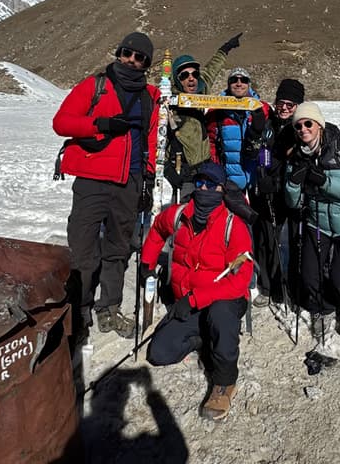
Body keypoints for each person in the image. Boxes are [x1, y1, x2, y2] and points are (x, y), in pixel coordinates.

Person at [52, 32, 160, 338]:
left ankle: (109, 307)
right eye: (127, 52)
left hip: (130, 182)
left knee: (117, 249)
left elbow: (151, 138)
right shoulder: (96, 85)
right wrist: (99, 124)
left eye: (140, 57)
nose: (131, 60)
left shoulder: (150, 96)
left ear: (147, 64)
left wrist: (148, 180)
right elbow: (61, 122)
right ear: (119, 52)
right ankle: (80, 308)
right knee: (83, 248)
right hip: (92, 181)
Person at [141, 162, 253, 421]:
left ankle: (224, 382)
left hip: (224, 300)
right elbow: (158, 229)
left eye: (211, 185)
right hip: (189, 302)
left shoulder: (232, 226)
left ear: (221, 189)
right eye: (200, 183)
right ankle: (206, 337)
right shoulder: (179, 215)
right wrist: (148, 261)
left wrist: (195, 299)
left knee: (220, 314)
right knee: (159, 353)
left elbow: (239, 282)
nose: (204, 189)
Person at [284, 102, 340, 339]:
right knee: (310, 275)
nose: (303, 129)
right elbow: (293, 202)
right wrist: (293, 182)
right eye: (298, 125)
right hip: (317, 222)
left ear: (319, 125)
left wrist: (325, 182)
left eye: (308, 123)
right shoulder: (297, 156)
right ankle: (323, 308)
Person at [165, 33, 243, 201]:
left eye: (194, 74)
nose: (191, 78)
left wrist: (225, 49)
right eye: (184, 75)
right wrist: (166, 167)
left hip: (205, 170)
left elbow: (212, 69)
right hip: (182, 171)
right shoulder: (169, 101)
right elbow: (159, 137)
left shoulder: (201, 91)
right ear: (177, 80)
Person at [251, 78, 305, 308]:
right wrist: (263, 177)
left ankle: (290, 286)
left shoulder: (302, 126)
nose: (284, 108)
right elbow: (261, 152)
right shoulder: (269, 125)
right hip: (269, 192)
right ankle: (267, 285)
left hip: (293, 193)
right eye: (280, 102)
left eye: (290, 105)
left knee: (294, 243)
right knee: (266, 240)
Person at [206, 67, 270, 191]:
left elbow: (268, 141)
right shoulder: (217, 111)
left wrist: (266, 169)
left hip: (256, 177)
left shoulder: (263, 109)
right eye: (234, 80)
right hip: (229, 180)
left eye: (243, 80)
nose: (239, 83)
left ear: (249, 84)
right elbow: (211, 142)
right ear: (229, 84)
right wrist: (217, 171)